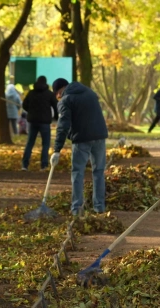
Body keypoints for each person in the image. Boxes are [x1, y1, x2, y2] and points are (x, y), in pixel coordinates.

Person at [51, 78, 109, 215]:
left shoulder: (66, 100)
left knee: (77, 173)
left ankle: (76, 209)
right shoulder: (90, 92)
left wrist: (57, 150)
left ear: (59, 92)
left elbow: (63, 126)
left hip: (81, 139)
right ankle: (99, 207)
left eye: (57, 95)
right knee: (99, 172)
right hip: (99, 136)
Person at [21, 76, 58, 171]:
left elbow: (24, 105)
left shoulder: (31, 93)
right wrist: (56, 118)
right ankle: (44, 165)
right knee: (45, 144)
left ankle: (24, 165)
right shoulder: (49, 94)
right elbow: (56, 106)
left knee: (30, 143)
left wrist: (30, 111)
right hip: (45, 122)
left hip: (32, 121)